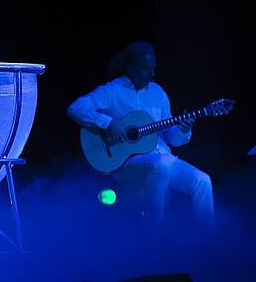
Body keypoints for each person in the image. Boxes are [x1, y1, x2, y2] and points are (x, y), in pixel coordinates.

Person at [67, 41, 215, 229]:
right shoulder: (112, 91)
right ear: (130, 67)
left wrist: (184, 129)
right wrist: (108, 124)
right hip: (125, 161)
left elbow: (172, 138)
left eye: (153, 68)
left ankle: (209, 241)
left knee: (202, 181)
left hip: (162, 156)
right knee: (161, 165)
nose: (152, 74)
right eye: (146, 69)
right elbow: (76, 108)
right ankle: (155, 232)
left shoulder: (158, 93)